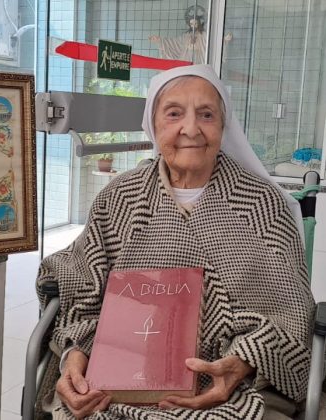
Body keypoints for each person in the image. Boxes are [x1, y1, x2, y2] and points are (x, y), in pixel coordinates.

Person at [36, 64, 315, 419]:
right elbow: (81, 290)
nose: (190, 128)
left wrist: (243, 362)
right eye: (174, 113)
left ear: (223, 126)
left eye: (206, 114)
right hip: (118, 377)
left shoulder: (262, 203)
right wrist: (75, 357)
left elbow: (289, 312)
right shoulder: (120, 197)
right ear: (153, 125)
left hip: (232, 383)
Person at [149, 5, 232, 64]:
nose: (193, 26)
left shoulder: (204, 35)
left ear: (199, 23)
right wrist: (160, 41)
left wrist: (224, 40)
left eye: (195, 23)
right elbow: (174, 43)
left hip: (198, 59)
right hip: (186, 59)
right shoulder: (186, 36)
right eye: (191, 24)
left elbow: (213, 42)